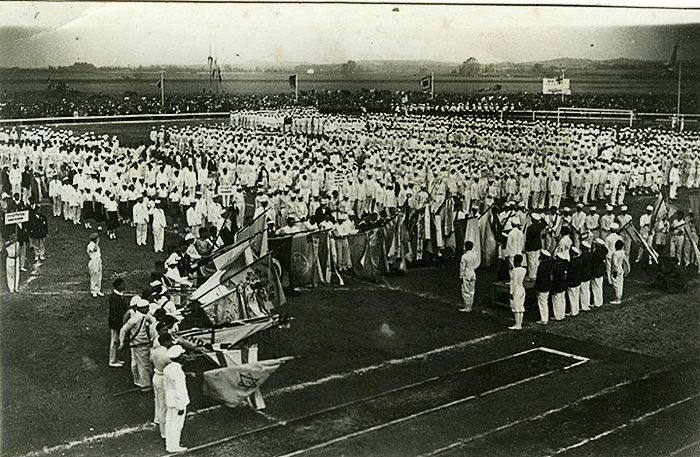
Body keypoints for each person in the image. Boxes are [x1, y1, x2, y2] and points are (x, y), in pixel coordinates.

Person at [119, 298, 156, 391]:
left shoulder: (143, 316)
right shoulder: (135, 319)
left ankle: (138, 381)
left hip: (137, 343)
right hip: (140, 344)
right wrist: (121, 342)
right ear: (142, 308)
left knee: (135, 362)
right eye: (147, 308)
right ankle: (145, 384)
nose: (148, 309)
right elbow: (123, 330)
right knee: (144, 364)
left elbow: (153, 320)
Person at [164, 344, 190, 453]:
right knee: (177, 425)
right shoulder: (178, 372)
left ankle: (169, 444)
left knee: (170, 422)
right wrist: (180, 406)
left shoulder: (168, 368)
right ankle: (174, 446)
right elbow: (180, 390)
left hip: (169, 399)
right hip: (177, 401)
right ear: (180, 357)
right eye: (183, 354)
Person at [151, 333, 174, 440]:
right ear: (165, 342)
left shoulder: (155, 350)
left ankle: (157, 419)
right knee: (163, 406)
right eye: (170, 341)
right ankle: (164, 432)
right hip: (163, 378)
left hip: (156, 376)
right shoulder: (167, 354)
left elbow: (151, 360)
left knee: (158, 401)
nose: (171, 343)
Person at [108, 278, 127, 367]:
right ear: (119, 286)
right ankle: (112, 361)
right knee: (114, 342)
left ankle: (114, 358)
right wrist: (119, 325)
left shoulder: (118, 295)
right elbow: (115, 314)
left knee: (115, 341)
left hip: (117, 322)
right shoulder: (115, 298)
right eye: (122, 284)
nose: (124, 285)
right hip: (115, 323)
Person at [458, 240, 480, 313]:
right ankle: (470, 305)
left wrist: (461, 276)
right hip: (473, 272)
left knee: (465, 290)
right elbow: (477, 264)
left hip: (466, 273)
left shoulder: (464, 256)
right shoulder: (475, 255)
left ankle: (467, 306)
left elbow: (462, 267)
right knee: (472, 290)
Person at [534, 250, 553, 325]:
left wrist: (536, 287)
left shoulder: (541, 267)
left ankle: (544, 319)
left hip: (542, 287)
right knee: (545, 302)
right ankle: (545, 317)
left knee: (542, 303)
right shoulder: (549, 265)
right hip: (547, 286)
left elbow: (539, 278)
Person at [508, 254, 527, 330]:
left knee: (516, 307)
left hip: (516, 290)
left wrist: (511, 292)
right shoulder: (524, 270)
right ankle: (519, 323)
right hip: (521, 289)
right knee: (520, 306)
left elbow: (514, 282)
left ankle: (517, 324)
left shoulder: (514, 271)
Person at [610, 239, 630, 305]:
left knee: (616, 285)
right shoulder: (623, 252)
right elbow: (626, 262)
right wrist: (627, 270)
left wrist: (615, 271)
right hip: (621, 269)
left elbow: (615, 263)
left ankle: (617, 299)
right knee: (620, 284)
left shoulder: (615, 254)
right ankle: (619, 297)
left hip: (616, 270)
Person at [551, 252, 568, 321]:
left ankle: (557, 316)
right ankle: (562, 314)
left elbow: (552, 277)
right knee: (562, 300)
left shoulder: (556, 267)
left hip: (557, 285)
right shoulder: (564, 266)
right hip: (563, 284)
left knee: (556, 301)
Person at [591, 238, 608, 308]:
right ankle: (600, 301)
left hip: (596, 272)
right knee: (599, 287)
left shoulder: (595, 253)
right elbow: (606, 249)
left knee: (595, 288)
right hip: (601, 271)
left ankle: (597, 302)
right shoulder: (603, 251)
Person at [86, 232, 103, 298]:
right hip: (93, 261)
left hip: (98, 260)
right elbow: (95, 249)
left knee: (99, 275)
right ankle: (93, 291)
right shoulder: (90, 245)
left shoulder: (94, 244)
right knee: (94, 276)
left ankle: (98, 290)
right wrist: (97, 242)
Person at [566, 247, 582, 317]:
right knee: (576, 296)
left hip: (572, 282)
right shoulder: (579, 260)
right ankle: (576, 309)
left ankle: (573, 311)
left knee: (572, 297)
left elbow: (570, 273)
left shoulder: (572, 263)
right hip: (578, 281)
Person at [579, 241, 593, 312]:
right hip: (588, 273)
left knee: (583, 291)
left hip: (583, 275)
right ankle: (587, 303)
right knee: (587, 290)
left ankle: (584, 306)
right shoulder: (590, 255)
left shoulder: (582, 256)